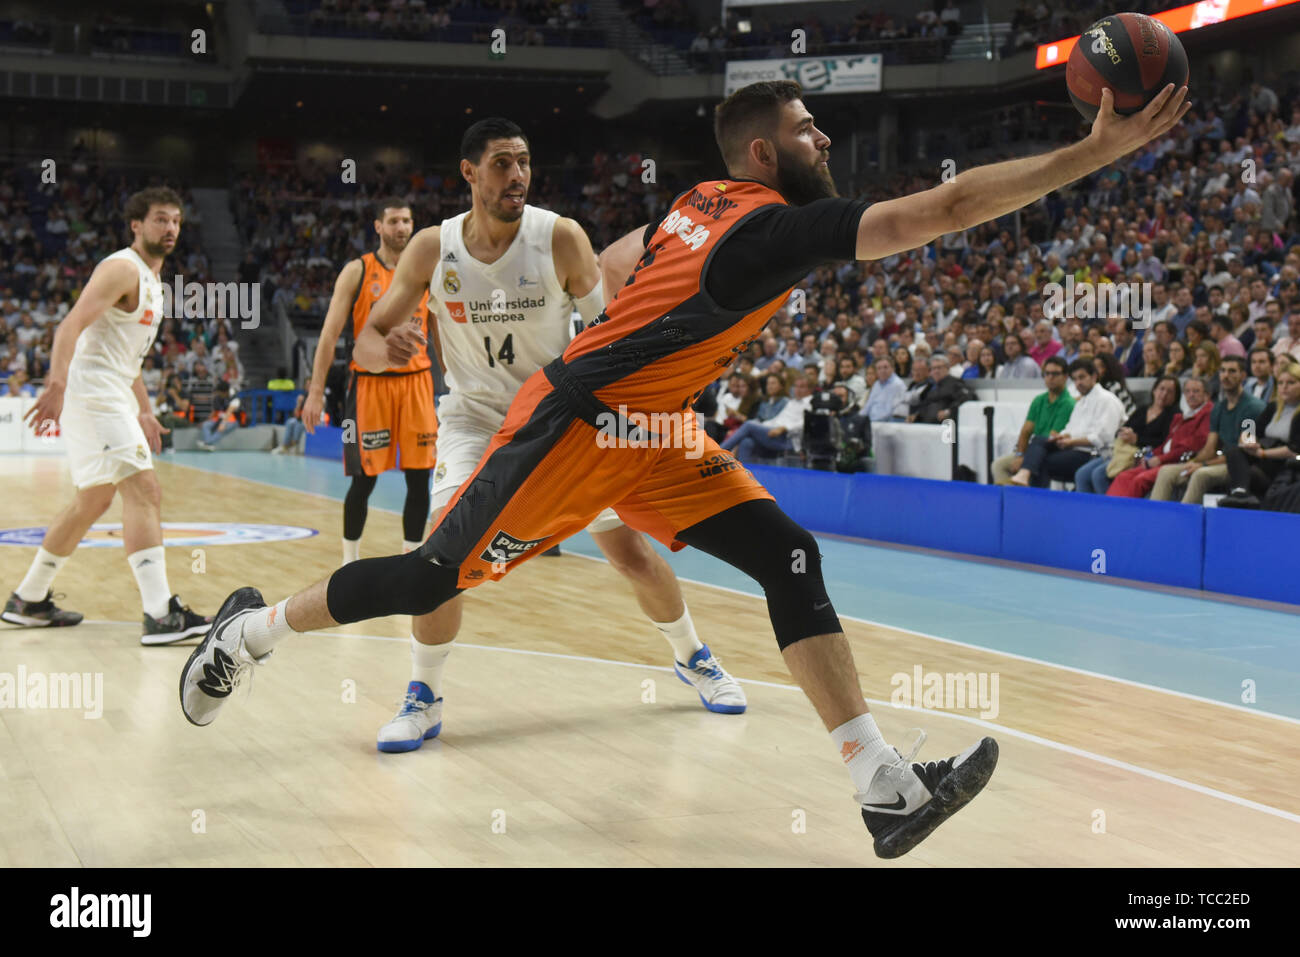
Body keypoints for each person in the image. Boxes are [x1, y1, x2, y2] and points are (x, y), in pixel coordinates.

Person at [181, 79, 1188, 858]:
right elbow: (946, 206)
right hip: (576, 423)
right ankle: (251, 632)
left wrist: (636, 338)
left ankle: (879, 783)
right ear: (765, 150)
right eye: (807, 129)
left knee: (786, 554)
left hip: (646, 422)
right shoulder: (766, 230)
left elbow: (621, 264)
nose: (825, 141)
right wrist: (1094, 152)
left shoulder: (703, 197)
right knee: (430, 579)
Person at [353, 120, 750, 751]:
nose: (517, 175)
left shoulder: (559, 236)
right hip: (475, 420)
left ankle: (692, 654)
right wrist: (389, 345)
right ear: (469, 173)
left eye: (524, 162)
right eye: (503, 163)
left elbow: (609, 334)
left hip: (563, 419)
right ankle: (423, 696)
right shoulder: (432, 248)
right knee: (438, 553)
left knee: (630, 555)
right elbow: (371, 337)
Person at [2, 188, 212, 643]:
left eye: (175, 220)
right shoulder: (122, 268)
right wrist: (55, 384)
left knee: (92, 501)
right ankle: (160, 615)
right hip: (93, 392)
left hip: (111, 391)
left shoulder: (155, 282)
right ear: (136, 225)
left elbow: (128, 359)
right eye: (160, 219)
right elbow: (70, 325)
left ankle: (28, 600)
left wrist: (145, 409)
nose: (170, 228)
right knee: (144, 489)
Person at [300, 198, 438, 563]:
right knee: (364, 480)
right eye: (393, 221)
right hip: (369, 385)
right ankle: (349, 563)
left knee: (419, 478)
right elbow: (329, 336)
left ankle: (412, 562)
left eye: (407, 220)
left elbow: (441, 328)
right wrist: (315, 391)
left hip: (418, 383)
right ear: (378, 226)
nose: (401, 228)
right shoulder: (357, 271)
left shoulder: (427, 271)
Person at [1148, 356, 1267, 504]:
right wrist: (1194, 462)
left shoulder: (1252, 407)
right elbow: (1210, 447)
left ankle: (1185, 521)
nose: (1226, 376)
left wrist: (1203, 465)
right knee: (1166, 472)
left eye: (1232, 371)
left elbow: (1243, 452)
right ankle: (1155, 519)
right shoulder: (1218, 407)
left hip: (1240, 466)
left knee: (1201, 475)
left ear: (1243, 376)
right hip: (1217, 461)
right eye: (1222, 371)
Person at [1009, 359, 1125, 488]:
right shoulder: (1082, 402)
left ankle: (1034, 495)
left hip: (1095, 453)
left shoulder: (1107, 400)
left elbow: (1103, 438)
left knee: (1042, 461)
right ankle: (1025, 475)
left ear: (1094, 376)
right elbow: (1070, 428)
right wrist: (1062, 436)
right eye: (1075, 379)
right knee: (1039, 440)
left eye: (1082, 377)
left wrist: (1071, 442)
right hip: (1075, 449)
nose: (1078, 383)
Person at [1107, 377, 1211, 499]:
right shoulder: (1181, 417)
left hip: (1178, 461)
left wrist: (1160, 459)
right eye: (1187, 391)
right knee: (1124, 476)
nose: (1191, 395)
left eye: (1196, 391)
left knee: (1140, 479)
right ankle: (1110, 510)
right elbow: (1166, 444)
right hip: (1163, 458)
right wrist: (1150, 457)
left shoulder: (1206, 414)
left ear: (1206, 395)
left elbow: (1191, 446)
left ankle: (1127, 513)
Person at [1075, 375, 1179, 494]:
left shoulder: (1174, 416)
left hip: (1142, 455)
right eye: (1161, 389)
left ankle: (1109, 509)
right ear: (1154, 390)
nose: (1164, 394)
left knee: (1099, 475)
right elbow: (1122, 429)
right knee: (1082, 474)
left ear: (1176, 397)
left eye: (1169, 391)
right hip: (1122, 451)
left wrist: (1137, 439)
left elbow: (1165, 442)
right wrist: (1123, 433)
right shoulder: (1142, 410)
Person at [1219, 358, 1300, 507]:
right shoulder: (1274, 407)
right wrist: (1247, 440)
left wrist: (1263, 454)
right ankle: (1240, 492)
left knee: (1245, 473)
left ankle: (1243, 493)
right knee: (1234, 451)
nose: (1284, 387)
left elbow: (1294, 450)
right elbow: (1250, 428)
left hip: (1283, 467)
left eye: (1291, 383)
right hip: (1261, 458)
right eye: (1281, 383)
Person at [990, 355, 1074, 484]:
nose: (1050, 377)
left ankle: (1028, 496)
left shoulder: (1068, 403)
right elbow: (1026, 431)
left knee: (1039, 459)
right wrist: (1020, 455)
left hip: (1053, 450)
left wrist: (1027, 456)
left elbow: (1052, 437)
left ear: (1065, 377)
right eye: (1047, 373)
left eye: (1055, 374)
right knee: (999, 465)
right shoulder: (1039, 400)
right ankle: (1009, 501)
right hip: (1034, 448)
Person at [723, 375, 812, 462]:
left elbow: (804, 423)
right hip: (774, 431)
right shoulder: (792, 402)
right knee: (747, 442)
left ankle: (719, 452)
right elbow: (777, 420)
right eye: (796, 386)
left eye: (802, 387)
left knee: (749, 425)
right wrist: (761, 426)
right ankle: (746, 474)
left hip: (788, 438)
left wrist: (784, 428)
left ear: (810, 389)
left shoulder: (811, 403)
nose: (798, 389)